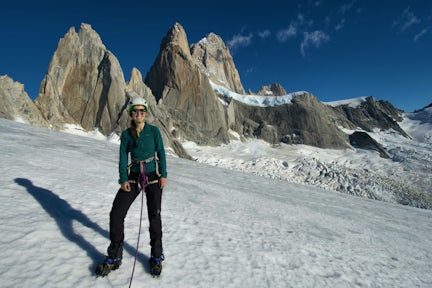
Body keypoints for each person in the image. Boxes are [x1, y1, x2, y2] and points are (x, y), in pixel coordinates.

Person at [96, 97, 167, 277]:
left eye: (142, 111)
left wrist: (163, 174)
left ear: (146, 113)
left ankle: (156, 256)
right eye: (135, 111)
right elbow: (122, 157)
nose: (139, 114)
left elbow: (161, 152)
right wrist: (123, 179)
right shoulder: (127, 134)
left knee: (154, 216)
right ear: (131, 114)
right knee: (116, 213)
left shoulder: (154, 131)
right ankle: (114, 255)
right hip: (133, 177)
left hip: (152, 177)